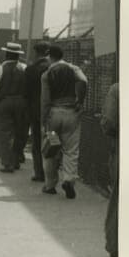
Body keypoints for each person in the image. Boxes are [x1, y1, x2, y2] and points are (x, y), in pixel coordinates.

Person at [40, 44, 88, 199]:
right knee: (71, 149)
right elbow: (83, 81)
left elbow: (45, 100)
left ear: (50, 56)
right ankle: (68, 179)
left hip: (53, 114)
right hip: (71, 114)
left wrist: (43, 119)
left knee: (50, 149)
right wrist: (80, 100)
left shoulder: (47, 74)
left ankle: (49, 185)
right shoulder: (73, 69)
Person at [0, 42, 28, 173]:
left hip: (3, 102)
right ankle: (16, 159)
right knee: (19, 132)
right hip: (22, 102)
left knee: (3, 134)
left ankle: (7, 163)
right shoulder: (25, 68)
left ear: (6, 54)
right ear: (18, 56)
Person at [24, 41, 52, 182]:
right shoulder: (54, 67)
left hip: (36, 112)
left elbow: (26, 93)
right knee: (54, 140)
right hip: (53, 111)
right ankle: (53, 174)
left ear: (36, 52)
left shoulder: (30, 69)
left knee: (37, 142)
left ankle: (39, 173)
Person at [100, 82, 119, 257]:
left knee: (119, 198)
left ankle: (116, 245)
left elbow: (110, 123)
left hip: (124, 148)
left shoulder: (118, 89)